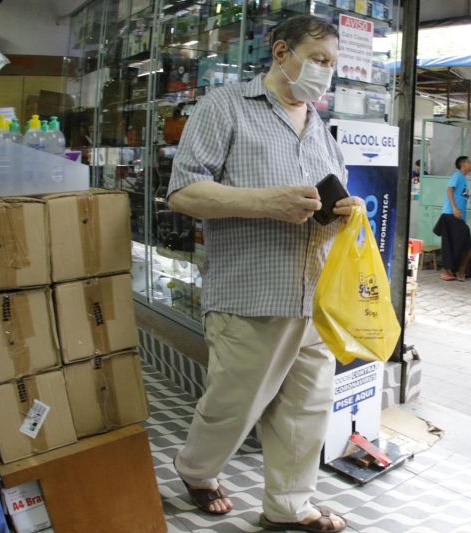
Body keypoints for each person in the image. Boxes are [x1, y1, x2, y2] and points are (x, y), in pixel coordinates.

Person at [166, 15, 361, 532]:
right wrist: (265, 202)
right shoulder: (225, 106)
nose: (325, 74)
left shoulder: (321, 128)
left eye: (333, 66)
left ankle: (288, 507)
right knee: (234, 405)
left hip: (313, 294)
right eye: (318, 60)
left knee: (306, 409)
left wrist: (345, 211)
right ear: (281, 52)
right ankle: (196, 471)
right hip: (251, 291)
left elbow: (331, 193)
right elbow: (184, 192)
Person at [433, 155, 471, 281]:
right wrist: (455, 208)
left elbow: (461, 196)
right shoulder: (457, 176)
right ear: (463, 165)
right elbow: (449, 190)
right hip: (451, 214)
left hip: (457, 216)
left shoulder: (464, 179)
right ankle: (446, 270)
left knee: (459, 243)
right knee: (453, 244)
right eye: (469, 162)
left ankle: (452, 270)